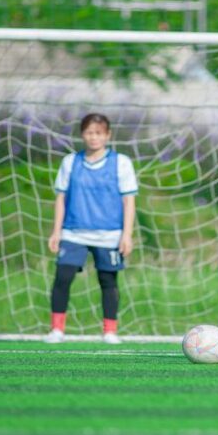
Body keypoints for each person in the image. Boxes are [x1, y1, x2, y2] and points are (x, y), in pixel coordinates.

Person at [44, 113, 138, 345]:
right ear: (82, 134)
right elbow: (61, 198)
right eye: (89, 132)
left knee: (108, 280)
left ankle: (110, 331)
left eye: (98, 133)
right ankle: (56, 330)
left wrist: (127, 234)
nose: (93, 137)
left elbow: (129, 201)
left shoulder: (121, 162)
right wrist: (56, 231)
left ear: (107, 135)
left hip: (109, 234)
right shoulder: (70, 162)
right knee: (62, 277)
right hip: (73, 231)